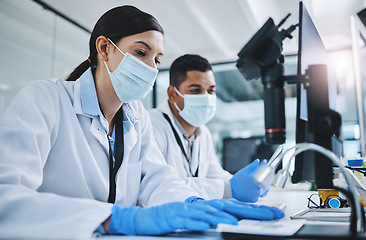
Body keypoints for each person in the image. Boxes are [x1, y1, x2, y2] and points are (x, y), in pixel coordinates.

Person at [0, 6, 284, 239]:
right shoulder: (46, 99)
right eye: (140, 52)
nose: (150, 67)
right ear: (104, 48)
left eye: (157, 59)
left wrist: (191, 202)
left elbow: (156, 179)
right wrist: (116, 219)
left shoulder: (135, 117)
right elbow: (5, 196)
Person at [149, 54, 269, 201]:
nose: (205, 97)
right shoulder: (152, 125)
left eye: (210, 90)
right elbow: (160, 185)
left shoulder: (203, 132)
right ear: (172, 94)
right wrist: (230, 188)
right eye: (195, 90)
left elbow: (215, 174)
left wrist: (245, 182)